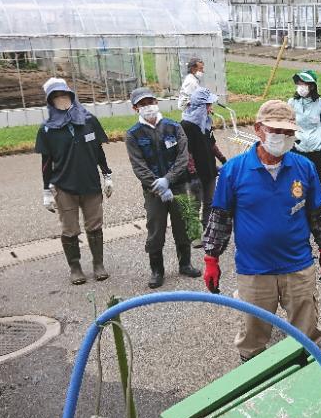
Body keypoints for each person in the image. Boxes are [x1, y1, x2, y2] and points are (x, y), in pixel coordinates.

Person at [202, 100, 321, 362]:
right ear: (258, 129)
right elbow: (220, 218)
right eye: (276, 131)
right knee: (252, 335)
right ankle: (255, 387)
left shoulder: (303, 167)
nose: (282, 138)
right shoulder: (233, 171)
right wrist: (211, 258)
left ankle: (302, 374)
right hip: (254, 270)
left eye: (288, 133)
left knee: (305, 332)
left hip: (297, 266)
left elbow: (315, 214)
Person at [35, 77, 114, 284]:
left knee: (94, 225)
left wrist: (107, 175)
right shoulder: (47, 129)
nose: (61, 99)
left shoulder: (89, 121)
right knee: (70, 229)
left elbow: (98, 151)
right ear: (50, 102)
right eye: (56, 97)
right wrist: (46, 191)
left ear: (72, 96)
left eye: (64, 95)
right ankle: (75, 267)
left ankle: (98, 264)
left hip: (90, 184)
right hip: (64, 186)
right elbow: (46, 162)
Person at [126, 87, 201, 288]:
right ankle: (157, 271)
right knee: (156, 230)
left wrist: (168, 179)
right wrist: (157, 185)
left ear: (156, 103)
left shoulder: (173, 127)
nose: (148, 107)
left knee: (181, 226)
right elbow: (138, 166)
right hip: (153, 192)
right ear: (135, 108)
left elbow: (183, 156)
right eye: (143, 104)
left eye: (150, 102)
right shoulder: (133, 135)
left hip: (177, 187)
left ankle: (185, 264)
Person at [181, 87, 226, 237]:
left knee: (210, 202)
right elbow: (187, 153)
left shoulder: (206, 122)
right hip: (195, 173)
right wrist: (193, 174)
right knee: (195, 205)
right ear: (200, 106)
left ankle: (206, 230)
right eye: (208, 105)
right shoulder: (186, 126)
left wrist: (223, 160)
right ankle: (194, 235)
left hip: (209, 169)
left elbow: (212, 144)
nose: (210, 108)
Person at [288, 69, 321, 184]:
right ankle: (299, 202)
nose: (301, 86)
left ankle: (317, 202)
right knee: (297, 181)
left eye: (304, 84)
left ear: (312, 86)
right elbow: (289, 124)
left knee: (316, 179)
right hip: (297, 148)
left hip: (316, 149)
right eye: (299, 83)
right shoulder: (292, 102)